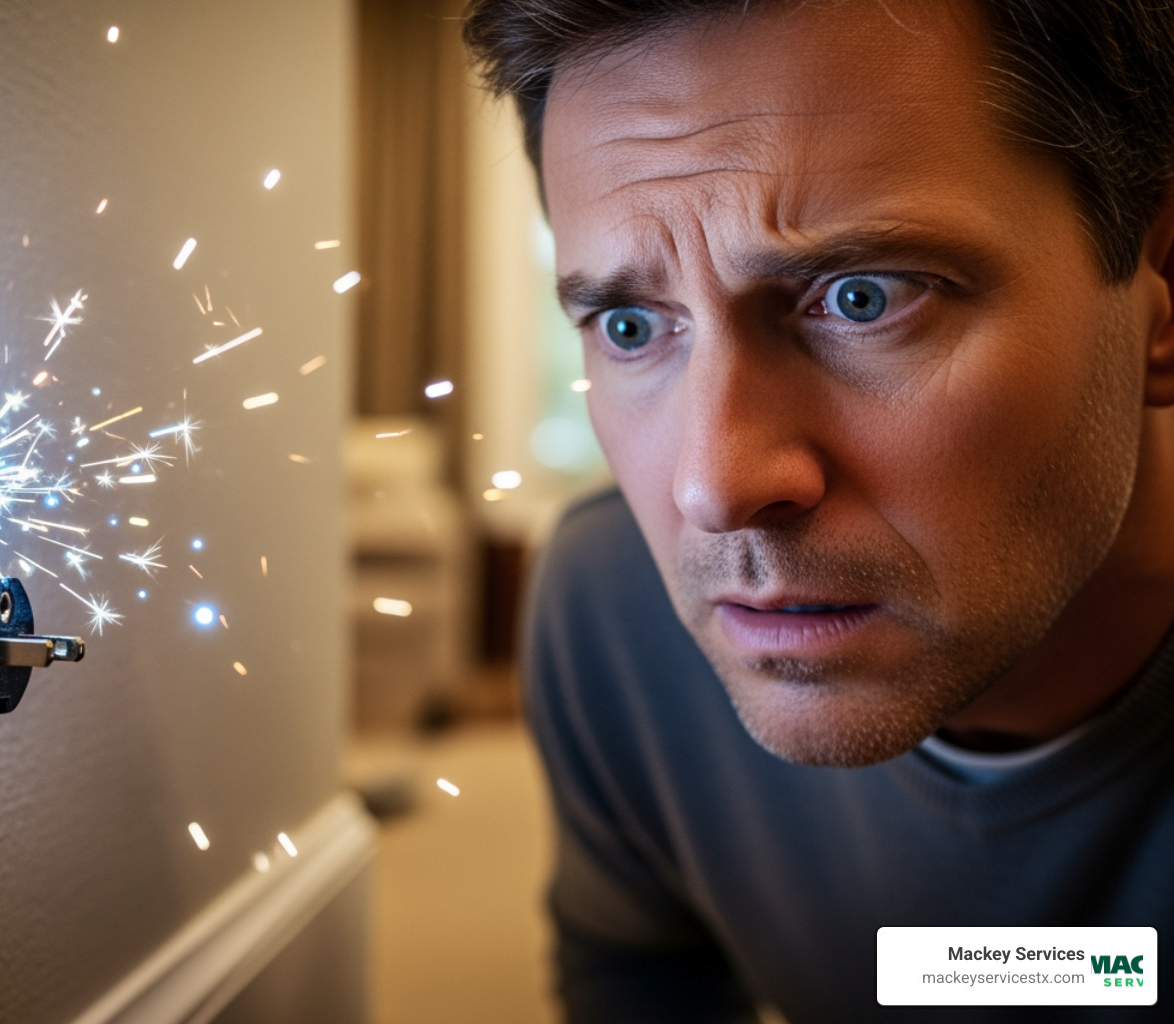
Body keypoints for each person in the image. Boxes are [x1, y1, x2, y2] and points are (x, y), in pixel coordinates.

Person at [461, 1, 1174, 1020]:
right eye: (630, 324)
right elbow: (640, 968)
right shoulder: (612, 610)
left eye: (863, 299)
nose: (712, 486)